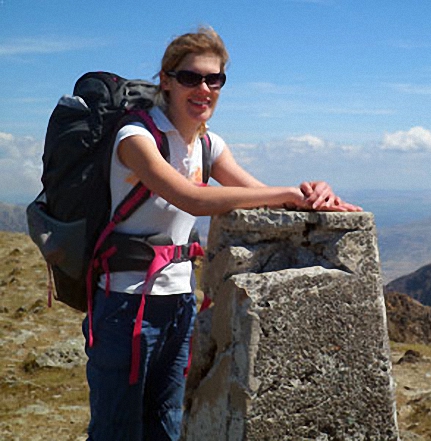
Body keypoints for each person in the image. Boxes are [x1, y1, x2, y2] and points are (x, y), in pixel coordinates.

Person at [81, 25, 361, 441]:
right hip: (125, 304)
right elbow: (192, 198)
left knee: (168, 421)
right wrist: (287, 192)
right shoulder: (136, 137)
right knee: (117, 429)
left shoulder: (207, 145)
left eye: (215, 79)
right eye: (191, 77)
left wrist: (313, 194)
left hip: (179, 302)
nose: (204, 88)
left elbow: (256, 193)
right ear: (166, 80)